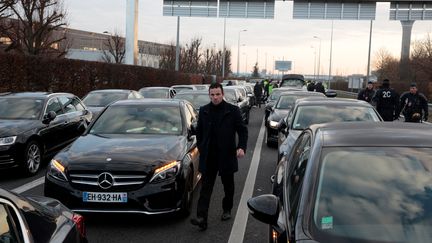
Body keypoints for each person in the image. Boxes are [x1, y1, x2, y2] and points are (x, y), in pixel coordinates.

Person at [190, 82, 248, 231]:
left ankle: (227, 209)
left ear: (222, 94)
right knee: (205, 189)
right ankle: (202, 218)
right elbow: (199, 132)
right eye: (212, 95)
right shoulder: (204, 111)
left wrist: (241, 147)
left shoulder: (232, 111)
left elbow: (242, 130)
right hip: (209, 157)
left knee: (228, 186)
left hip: (226, 155)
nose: (215, 97)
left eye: (218, 94)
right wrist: (202, 147)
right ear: (209, 95)